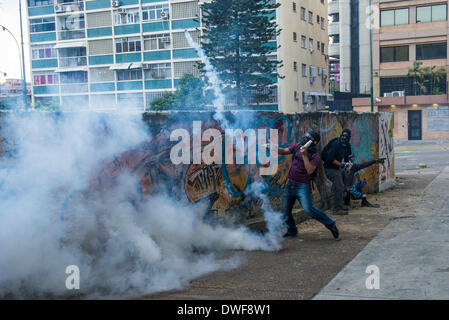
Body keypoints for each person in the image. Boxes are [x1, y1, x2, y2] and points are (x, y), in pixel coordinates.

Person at [277, 131, 340, 240]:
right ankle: (292, 230)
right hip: (290, 183)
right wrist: (271, 147)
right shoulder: (297, 146)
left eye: (308, 138)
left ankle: (331, 225)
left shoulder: (315, 156)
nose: (304, 139)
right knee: (286, 211)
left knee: (309, 210)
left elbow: (310, 171)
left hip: (302, 186)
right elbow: (283, 151)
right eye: (305, 137)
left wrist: (305, 155)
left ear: (314, 142)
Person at [322, 129, 353, 215]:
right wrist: (341, 165)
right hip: (329, 168)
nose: (343, 138)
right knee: (339, 186)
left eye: (345, 137)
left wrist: (348, 167)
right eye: (342, 136)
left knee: (342, 184)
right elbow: (330, 159)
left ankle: (340, 204)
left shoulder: (347, 146)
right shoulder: (336, 144)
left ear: (349, 138)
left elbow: (348, 158)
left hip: (337, 167)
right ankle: (337, 209)